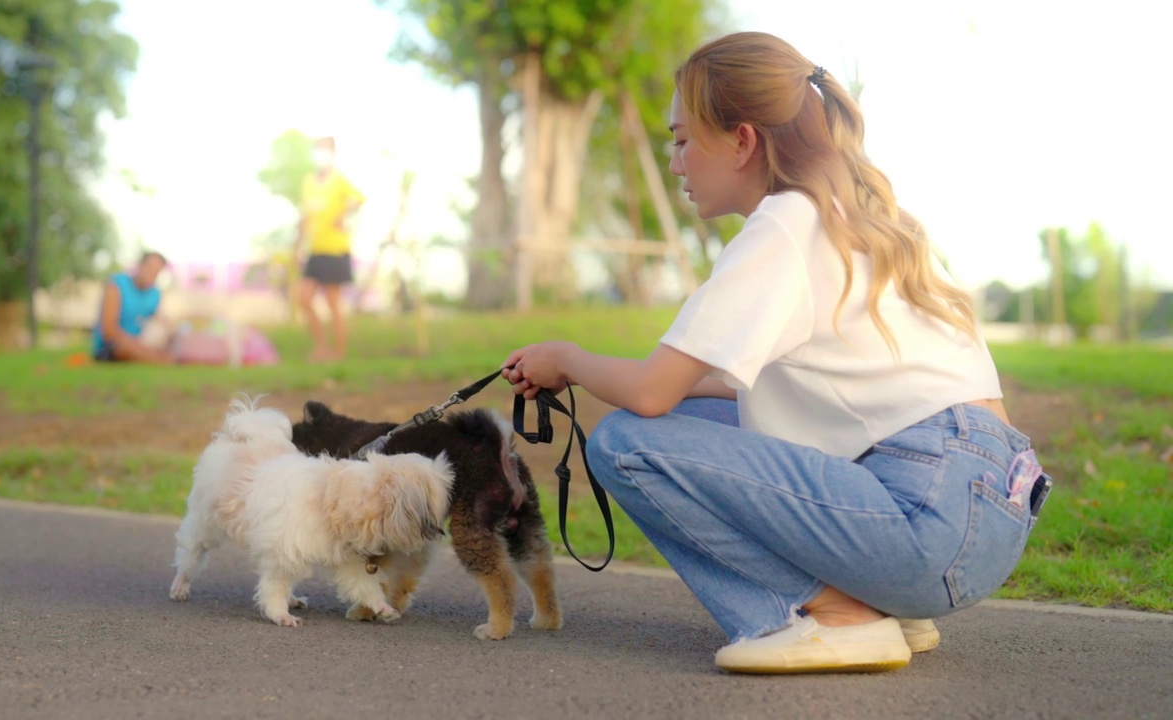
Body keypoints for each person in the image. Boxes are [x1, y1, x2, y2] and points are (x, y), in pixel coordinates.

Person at [501, 31, 1049, 675]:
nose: (676, 163)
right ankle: (880, 605)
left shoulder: (784, 224)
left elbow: (652, 392)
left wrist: (565, 358)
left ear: (742, 140)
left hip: (925, 521)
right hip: (985, 513)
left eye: (682, 140)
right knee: (694, 423)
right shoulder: (859, 215)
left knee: (626, 441)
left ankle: (833, 617)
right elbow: (733, 393)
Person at [294, 135, 365, 362]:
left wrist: (342, 216)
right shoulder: (308, 182)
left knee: (333, 303)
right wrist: (297, 247)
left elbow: (360, 199)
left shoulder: (338, 180)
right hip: (315, 250)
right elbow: (305, 216)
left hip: (335, 249)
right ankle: (321, 347)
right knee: (304, 299)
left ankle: (339, 353)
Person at [92, 251, 174, 364]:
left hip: (142, 342)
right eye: (150, 267)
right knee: (124, 349)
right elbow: (109, 330)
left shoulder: (155, 294)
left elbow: (155, 322)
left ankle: (157, 358)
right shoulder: (117, 284)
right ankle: (159, 360)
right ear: (140, 265)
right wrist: (140, 348)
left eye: (157, 271)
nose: (152, 273)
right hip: (113, 346)